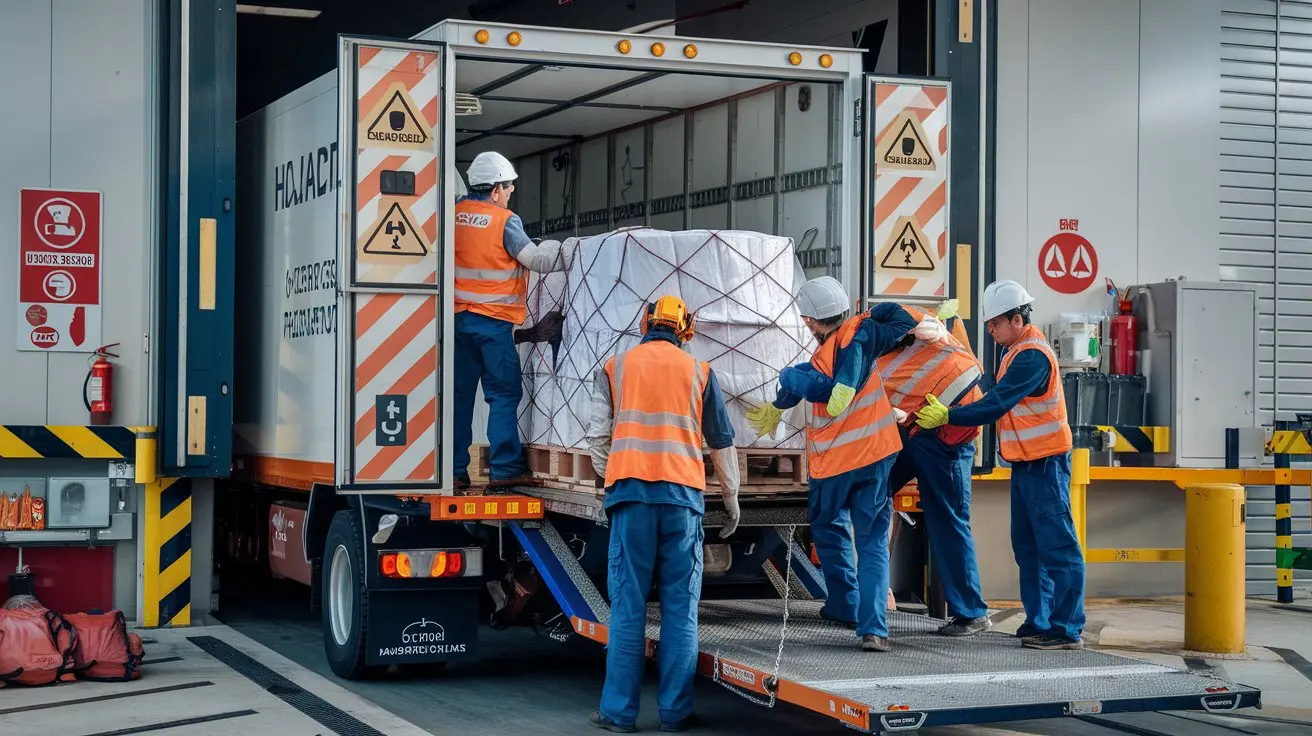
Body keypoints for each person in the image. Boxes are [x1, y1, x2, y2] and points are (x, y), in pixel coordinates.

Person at [585, 296, 742, 733]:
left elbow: (597, 436)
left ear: (645, 324)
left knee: (629, 609)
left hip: (630, 497)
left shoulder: (615, 367)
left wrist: (612, 475)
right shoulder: (700, 372)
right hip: (682, 501)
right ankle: (675, 713)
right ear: (685, 329)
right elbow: (721, 443)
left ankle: (618, 713)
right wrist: (731, 499)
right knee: (679, 609)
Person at [913, 279, 1086, 650]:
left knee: (1057, 547)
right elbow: (987, 386)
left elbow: (995, 404)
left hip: (1047, 464)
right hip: (1026, 465)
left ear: (1017, 319)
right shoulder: (1014, 352)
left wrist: (948, 415)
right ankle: (1039, 621)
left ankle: (1066, 628)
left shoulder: (1032, 357)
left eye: (994, 324)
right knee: (1028, 548)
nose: (990, 330)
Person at [746, 277, 915, 652]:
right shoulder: (862, 344)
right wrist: (871, 316)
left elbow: (811, 386)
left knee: (829, 527)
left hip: (836, 465)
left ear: (809, 322)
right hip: (876, 457)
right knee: (871, 543)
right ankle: (873, 628)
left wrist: (785, 381)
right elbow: (904, 319)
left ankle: (842, 603)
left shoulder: (825, 360)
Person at [837, 301, 992, 636]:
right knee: (870, 497)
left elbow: (926, 330)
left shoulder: (914, 329)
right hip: (913, 430)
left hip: (947, 435)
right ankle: (868, 601)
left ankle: (971, 612)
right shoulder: (880, 350)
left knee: (947, 519)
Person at [453, 151, 574, 488]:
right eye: (508, 188)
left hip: (457, 324)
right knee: (503, 395)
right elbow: (535, 260)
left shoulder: (452, 216)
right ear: (494, 190)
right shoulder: (504, 221)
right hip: (493, 325)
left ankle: (454, 470)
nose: (510, 195)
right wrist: (566, 252)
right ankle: (505, 470)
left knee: (459, 397)